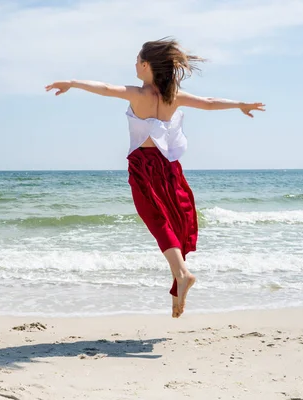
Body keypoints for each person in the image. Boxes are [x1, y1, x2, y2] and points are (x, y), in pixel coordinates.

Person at [45, 37, 265, 318]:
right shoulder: (173, 96)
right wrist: (240, 104)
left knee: (157, 220)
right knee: (172, 222)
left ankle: (182, 275)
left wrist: (73, 82)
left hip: (143, 165)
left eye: (137, 61)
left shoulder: (139, 94)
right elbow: (209, 103)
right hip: (169, 167)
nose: (134, 65)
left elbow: (105, 89)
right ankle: (178, 287)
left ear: (147, 65)